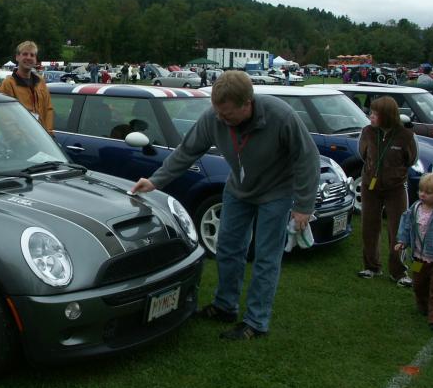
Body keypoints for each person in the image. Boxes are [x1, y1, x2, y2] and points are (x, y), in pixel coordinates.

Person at [130, 71, 319, 340]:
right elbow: (187, 151)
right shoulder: (214, 117)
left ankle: (256, 322)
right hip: (238, 190)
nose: (221, 119)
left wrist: (303, 206)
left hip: (276, 192)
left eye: (227, 114)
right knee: (228, 248)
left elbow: (307, 159)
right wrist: (155, 181)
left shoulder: (281, 116)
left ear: (247, 104)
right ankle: (225, 306)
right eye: (218, 112)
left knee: (266, 257)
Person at [357, 96, 418, 286]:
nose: (371, 116)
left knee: (398, 229)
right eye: (371, 113)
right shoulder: (367, 132)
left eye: (375, 114)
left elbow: (411, 159)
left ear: (387, 115)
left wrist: (394, 173)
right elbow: (363, 154)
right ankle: (372, 266)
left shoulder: (405, 135)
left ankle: (398, 272)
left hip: (395, 188)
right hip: (370, 186)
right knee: (369, 226)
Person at [395, 173, 433, 332]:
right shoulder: (415, 208)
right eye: (421, 190)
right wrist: (402, 241)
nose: (422, 194)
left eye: (428, 192)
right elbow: (406, 224)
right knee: (418, 285)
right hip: (418, 258)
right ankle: (424, 306)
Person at [0, 41, 54, 134]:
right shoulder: (8, 84)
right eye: (25, 54)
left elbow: (48, 109)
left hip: (42, 138)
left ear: (35, 59)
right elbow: (5, 118)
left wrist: (49, 134)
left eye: (32, 55)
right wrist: (21, 139)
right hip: (21, 140)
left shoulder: (40, 82)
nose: (28, 57)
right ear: (17, 57)